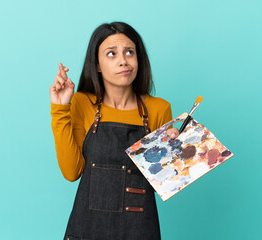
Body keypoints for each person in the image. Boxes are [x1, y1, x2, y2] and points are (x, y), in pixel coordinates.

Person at [50, 22, 179, 240]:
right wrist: (60, 109)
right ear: (97, 64)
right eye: (111, 54)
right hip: (87, 232)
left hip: (139, 232)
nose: (123, 61)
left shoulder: (159, 108)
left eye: (130, 52)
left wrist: (175, 151)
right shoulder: (82, 103)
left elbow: (160, 186)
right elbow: (71, 172)